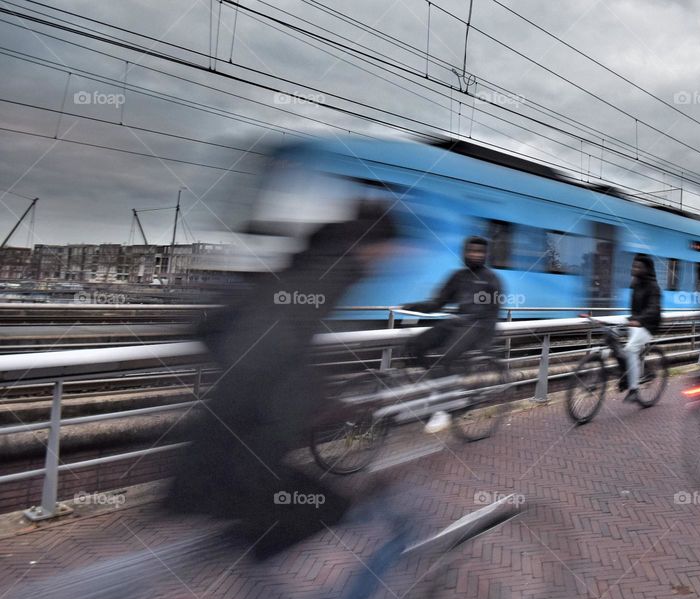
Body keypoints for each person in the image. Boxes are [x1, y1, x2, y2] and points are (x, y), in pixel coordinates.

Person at [161, 197, 398, 558]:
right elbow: (279, 338)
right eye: (389, 250)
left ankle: (251, 554)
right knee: (308, 507)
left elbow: (245, 327)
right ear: (373, 245)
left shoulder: (312, 261)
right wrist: (316, 400)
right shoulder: (332, 270)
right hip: (254, 421)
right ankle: (257, 562)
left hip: (235, 416)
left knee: (259, 508)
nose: (389, 259)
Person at [402, 235, 502, 433]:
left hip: (478, 328)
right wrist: (411, 307)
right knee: (415, 346)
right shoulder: (457, 277)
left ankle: (444, 409)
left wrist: (485, 342)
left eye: (480, 251)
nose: (475, 254)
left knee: (444, 357)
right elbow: (437, 303)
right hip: (456, 323)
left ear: (486, 255)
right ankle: (440, 385)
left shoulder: (491, 279)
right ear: (464, 253)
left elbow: (493, 312)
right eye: (471, 250)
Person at [621, 253, 661, 402]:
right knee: (610, 332)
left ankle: (634, 389)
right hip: (636, 322)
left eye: (638, 267)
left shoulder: (653, 287)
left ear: (646, 269)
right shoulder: (635, 285)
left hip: (649, 325)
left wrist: (639, 320)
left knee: (631, 349)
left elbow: (654, 309)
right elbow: (633, 308)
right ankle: (625, 371)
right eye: (634, 266)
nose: (634, 269)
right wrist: (632, 319)